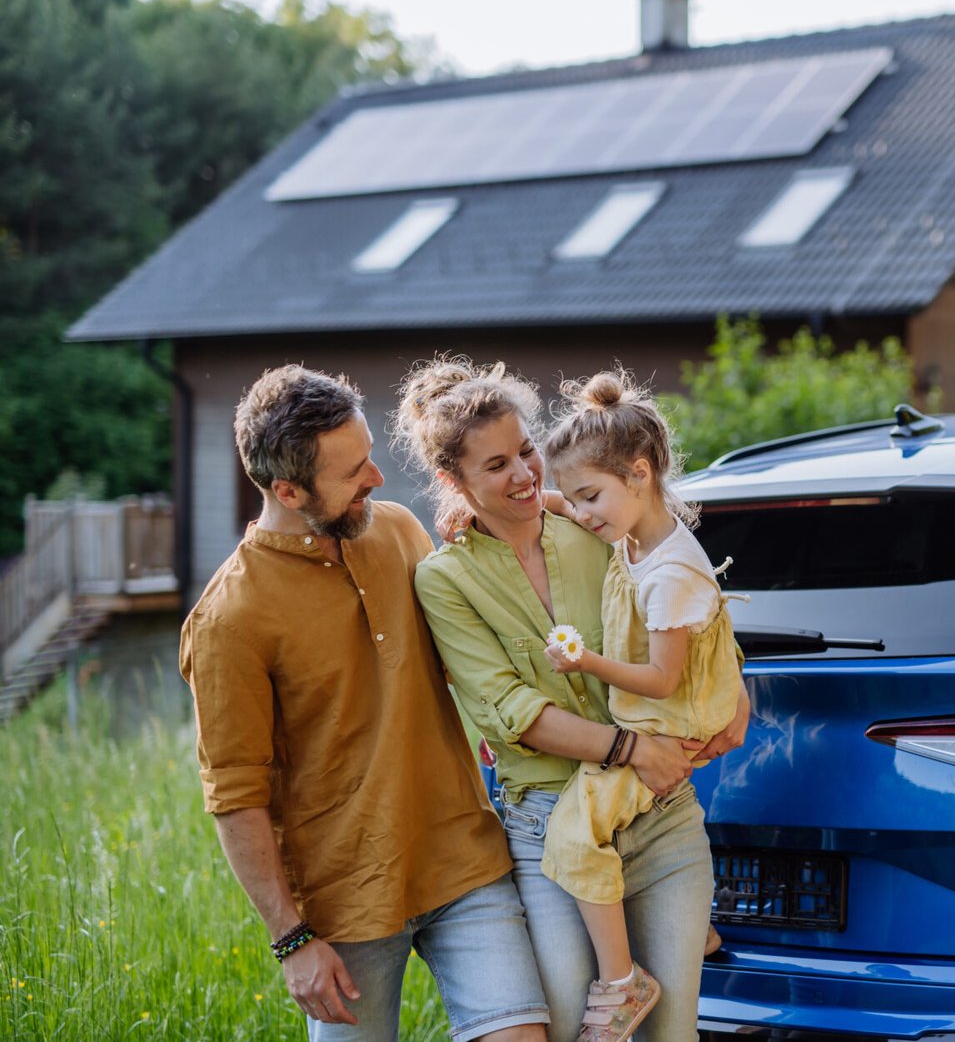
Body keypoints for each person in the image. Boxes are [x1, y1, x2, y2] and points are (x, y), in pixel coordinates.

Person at [180, 365, 548, 1042]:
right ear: (288, 490)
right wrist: (291, 940)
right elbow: (235, 795)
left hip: (463, 859)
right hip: (344, 902)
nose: (376, 477)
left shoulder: (400, 531)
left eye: (369, 454)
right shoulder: (229, 619)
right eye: (352, 473)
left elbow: (480, 648)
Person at [396, 356, 749, 1042]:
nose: (525, 474)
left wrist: (738, 685)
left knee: (670, 1032)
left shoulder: (590, 522)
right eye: (495, 466)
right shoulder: (445, 580)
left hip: (660, 816)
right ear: (453, 481)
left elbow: (683, 598)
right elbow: (512, 712)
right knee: (569, 1026)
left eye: (525, 450)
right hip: (553, 830)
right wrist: (634, 747)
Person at [535, 370, 745, 1042]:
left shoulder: (671, 572)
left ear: (641, 472)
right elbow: (572, 506)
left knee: (572, 835)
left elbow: (659, 678)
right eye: (575, 498)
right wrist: (521, 501)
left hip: (663, 719)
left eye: (591, 495)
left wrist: (584, 661)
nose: (583, 512)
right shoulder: (634, 531)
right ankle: (692, 923)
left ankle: (622, 983)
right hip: (657, 717)